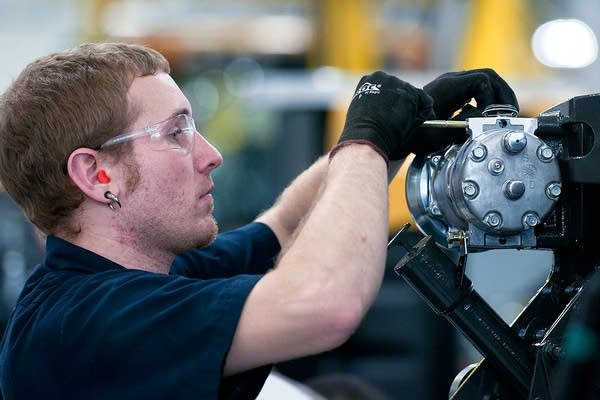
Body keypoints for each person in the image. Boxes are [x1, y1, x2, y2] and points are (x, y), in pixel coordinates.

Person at [0, 42, 518, 399]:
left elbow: (288, 225)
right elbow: (323, 306)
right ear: (96, 174)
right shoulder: (82, 325)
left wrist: (405, 125)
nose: (211, 154)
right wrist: (366, 141)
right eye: (176, 132)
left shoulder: (156, 274)